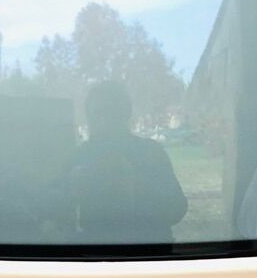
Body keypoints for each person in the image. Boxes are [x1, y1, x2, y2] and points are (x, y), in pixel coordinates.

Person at [69, 80, 189, 246]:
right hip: (94, 256)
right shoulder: (81, 156)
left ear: (125, 113)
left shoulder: (150, 152)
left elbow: (177, 209)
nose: (102, 121)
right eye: (96, 114)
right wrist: (71, 189)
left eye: (110, 113)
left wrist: (134, 184)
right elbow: (57, 214)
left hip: (151, 255)